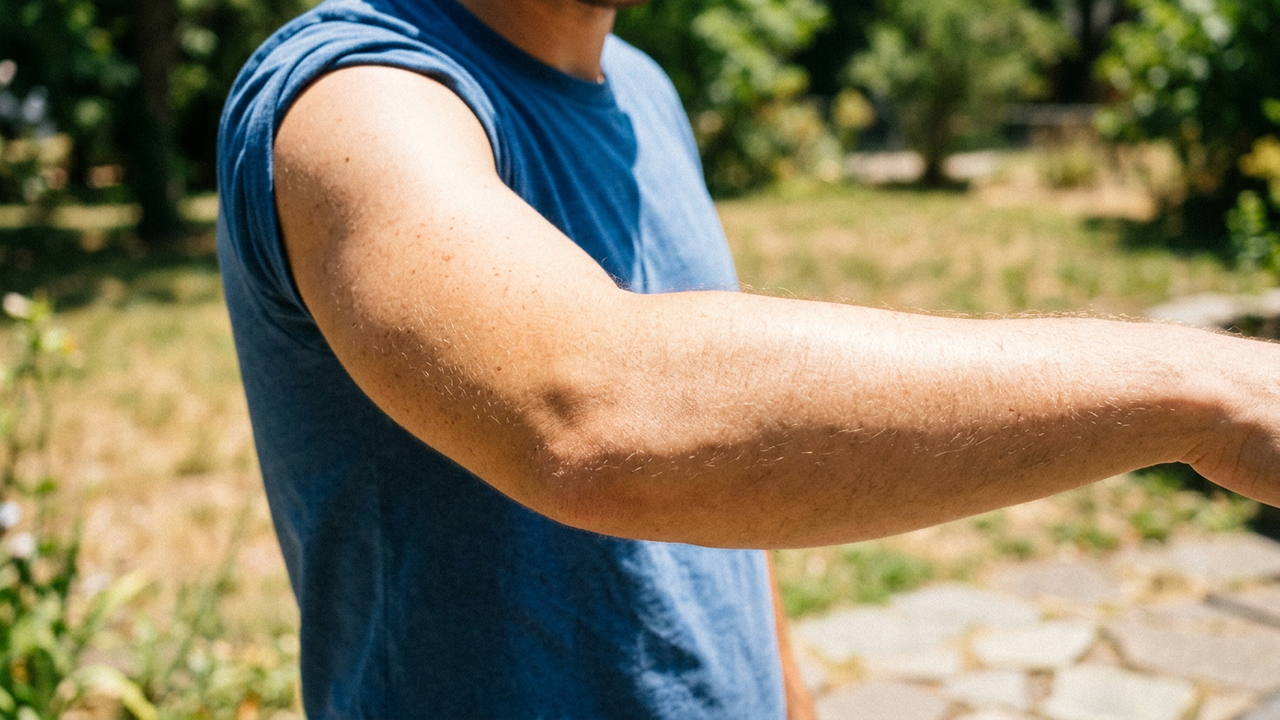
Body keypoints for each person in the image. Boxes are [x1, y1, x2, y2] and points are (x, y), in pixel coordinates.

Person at [215, 0, 1280, 717]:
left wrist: (785, 693)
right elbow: (595, 412)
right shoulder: (353, 96)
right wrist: (1208, 390)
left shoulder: (640, 90)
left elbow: (716, 472)